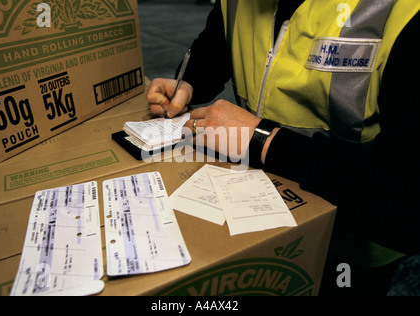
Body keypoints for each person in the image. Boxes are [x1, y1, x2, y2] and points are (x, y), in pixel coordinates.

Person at [146, 0, 420, 295]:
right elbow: (215, 48)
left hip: (352, 238)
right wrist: (188, 83)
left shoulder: (402, 12)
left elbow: (407, 203)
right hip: (254, 209)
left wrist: (264, 140)